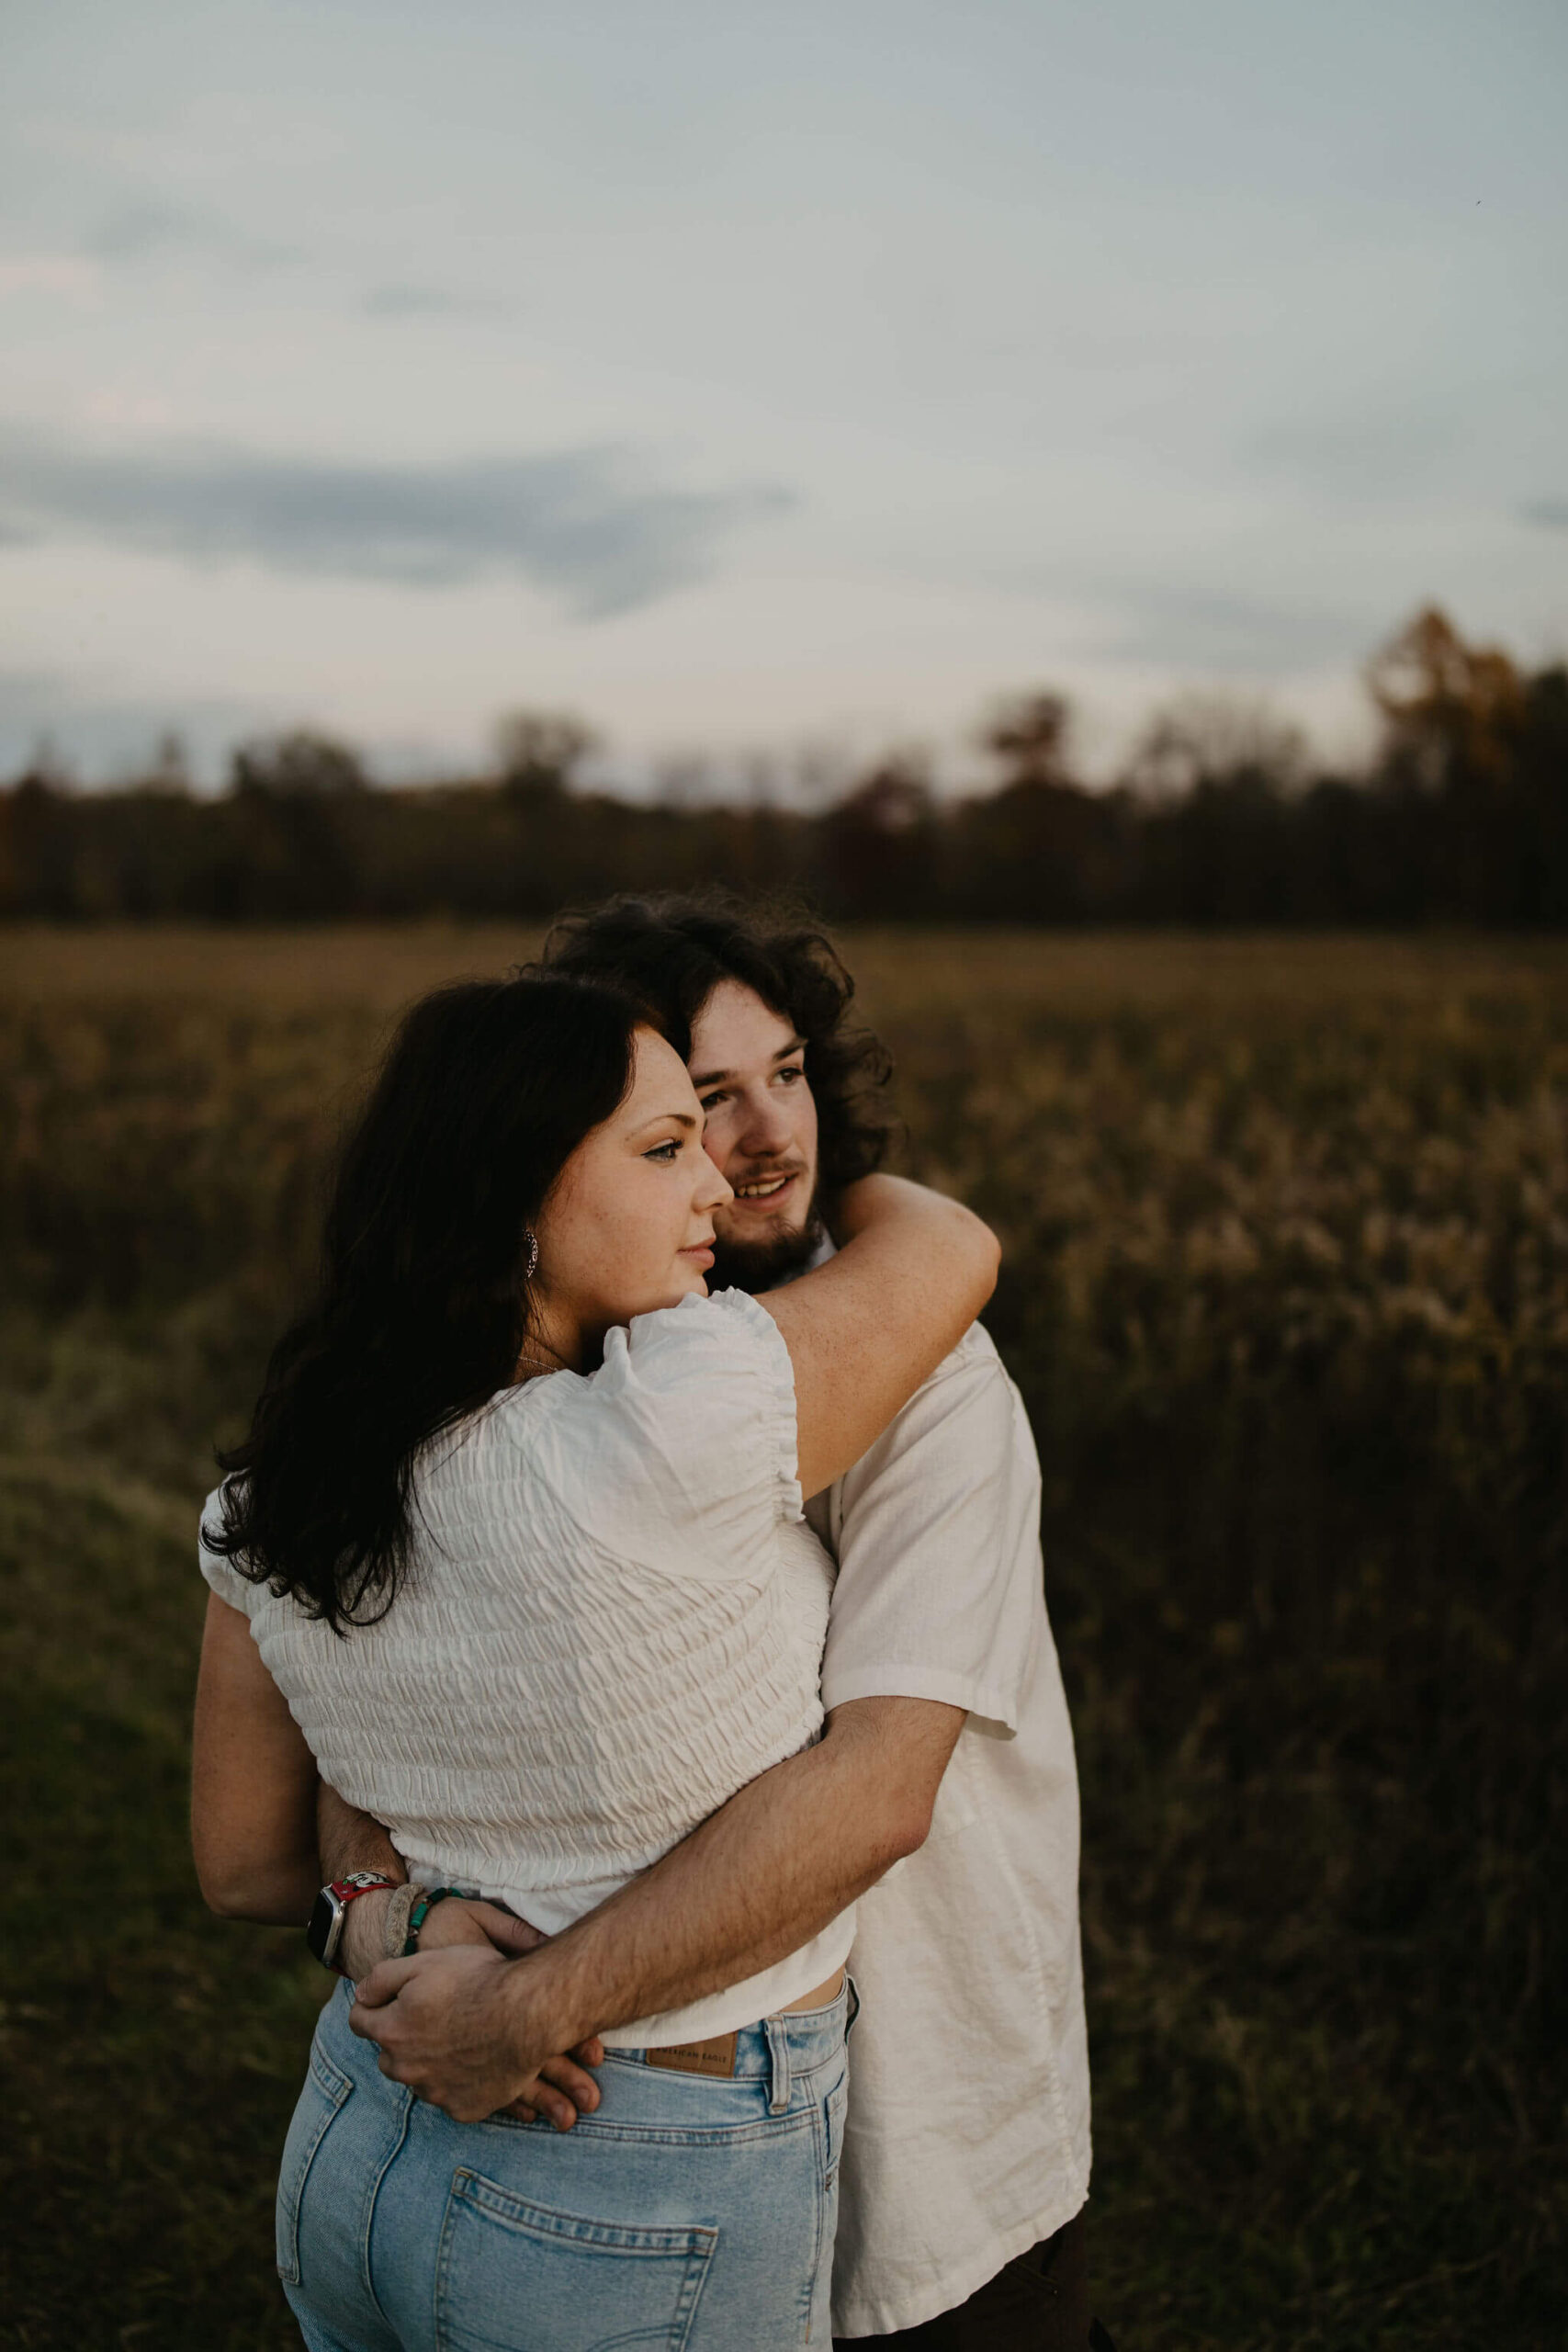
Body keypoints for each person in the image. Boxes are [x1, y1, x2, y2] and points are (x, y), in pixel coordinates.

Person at [315, 898, 1107, 2347]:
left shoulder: (930, 1383)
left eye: (790, 1074)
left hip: (918, 2114)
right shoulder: (524, 1387)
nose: (768, 1141)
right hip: (616, 2135)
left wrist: (520, 2010)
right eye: (701, 1106)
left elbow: (876, 1790)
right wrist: (376, 1909)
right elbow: (365, 1711)